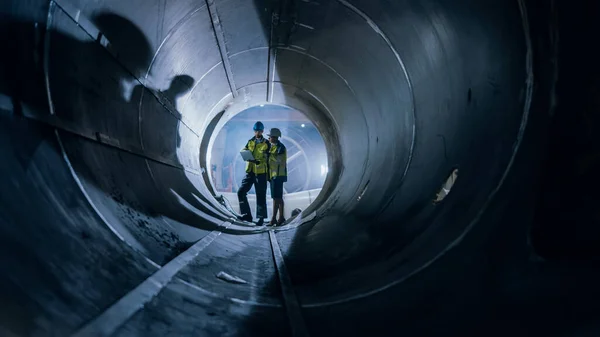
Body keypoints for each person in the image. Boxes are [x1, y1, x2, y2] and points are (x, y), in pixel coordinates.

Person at [237, 121, 270, 225]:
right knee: (241, 192)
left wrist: (258, 161)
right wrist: (247, 156)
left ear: (262, 131)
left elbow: (269, 158)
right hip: (250, 172)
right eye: (256, 131)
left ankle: (261, 219)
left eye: (259, 131)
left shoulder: (266, 143)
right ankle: (247, 215)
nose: (257, 133)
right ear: (254, 131)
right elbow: (244, 150)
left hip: (261, 173)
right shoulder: (250, 141)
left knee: (261, 196)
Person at [266, 128, 288, 226]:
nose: (269, 139)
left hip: (278, 175)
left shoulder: (280, 147)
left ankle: (281, 217)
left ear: (274, 137)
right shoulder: (274, 147)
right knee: (276, 198)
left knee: (278, 197)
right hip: (274, 176)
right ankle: (275, 218)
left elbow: (278, 160)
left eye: (270, 137)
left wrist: (267, 155)